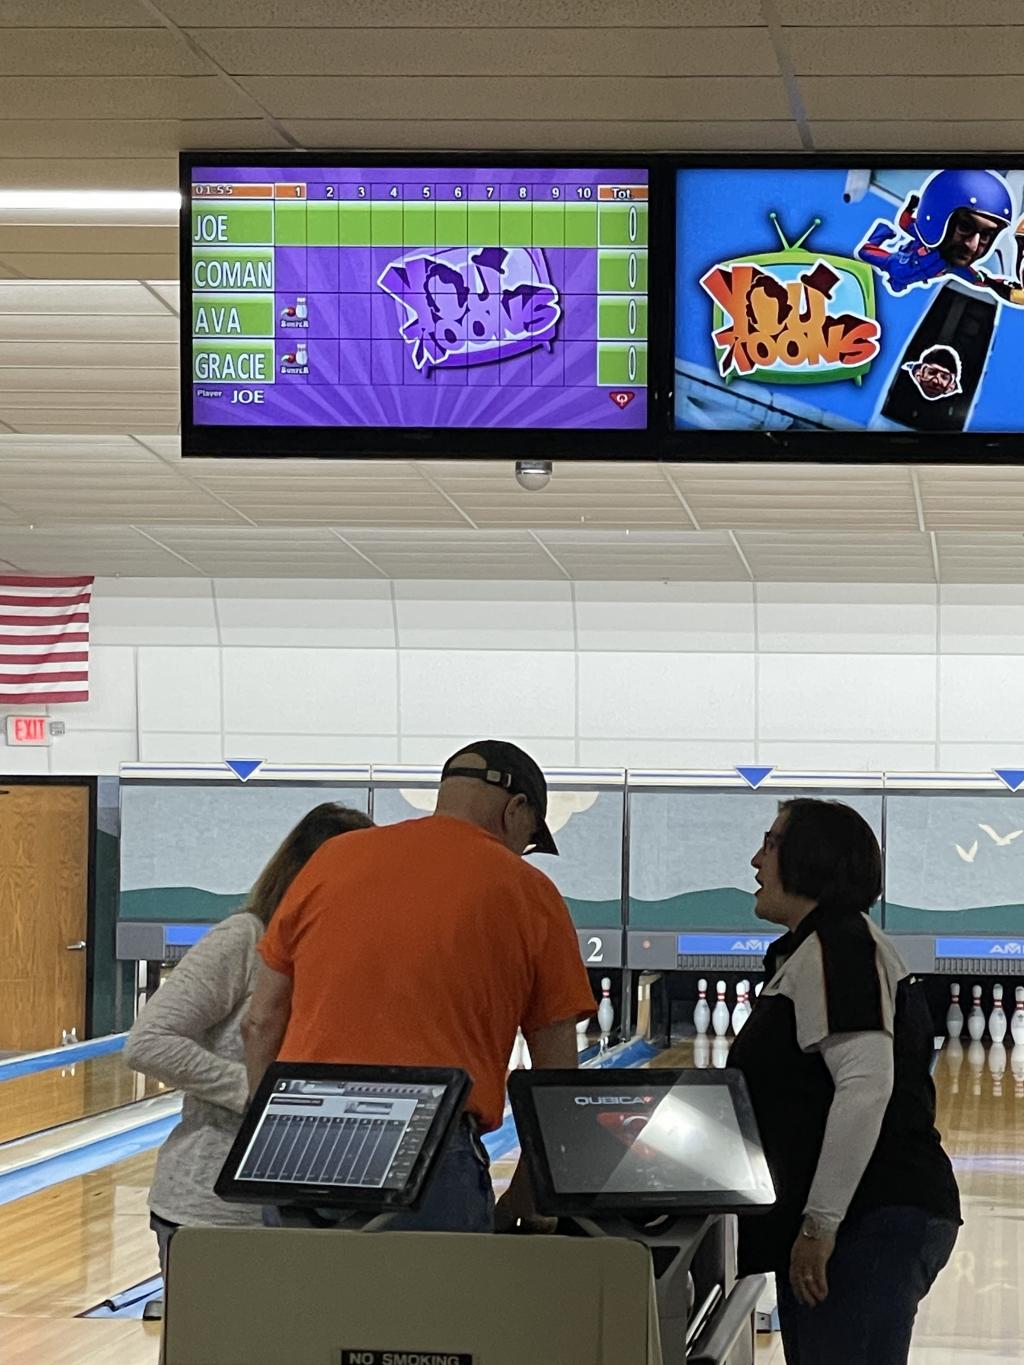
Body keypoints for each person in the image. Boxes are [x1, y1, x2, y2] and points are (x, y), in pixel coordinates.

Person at [242, 740, 596, 1234]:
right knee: (429, 1290)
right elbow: (556, 1081)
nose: (524, 851)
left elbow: (260, 1023)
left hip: (300, 1138)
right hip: (431, 1147)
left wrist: (272, 1135)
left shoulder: (331, 859)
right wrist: (525, 1197)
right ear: (516, 809)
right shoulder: (530, 891)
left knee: (301, 1288)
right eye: (531, 838)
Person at [727, 798, 960, 1365]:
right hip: (859, 1218)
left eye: (771, 844)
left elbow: (865, 1086)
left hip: (870, 1217)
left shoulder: (841, 946)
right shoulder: (818, 948)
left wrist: (819, 1226)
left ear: (811, 858)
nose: (756, 860)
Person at [124, 801, 373, 1278]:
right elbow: (149, 1041)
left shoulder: (353, 958)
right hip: (212, 1210)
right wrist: (258, 1094)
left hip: (312, 1208)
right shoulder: (244, 938)